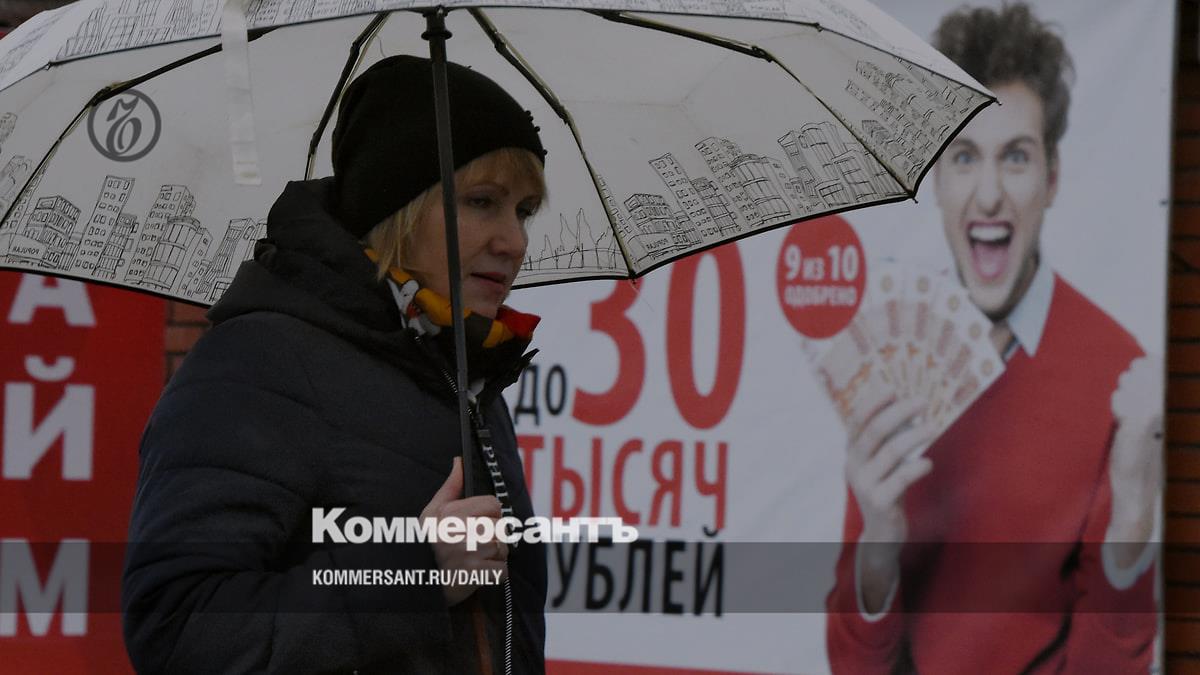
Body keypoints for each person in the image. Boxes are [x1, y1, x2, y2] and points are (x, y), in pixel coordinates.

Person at [121, 55, 548, 673]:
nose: (514, 241)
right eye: (483, 201)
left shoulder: (465, 373)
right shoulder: (261, 361)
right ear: (396, 209)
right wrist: (413, 576)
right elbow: (176, 626)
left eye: (524, 210)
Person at [825, 4, 1162, 673]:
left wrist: (1131, 520)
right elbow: (853, 667)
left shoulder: (1117, 375)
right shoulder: (889, 361)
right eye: (963, 156)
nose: (987, 195)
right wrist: (877, 548)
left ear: (1052, 178)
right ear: (937, 180)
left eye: (1015, 157)